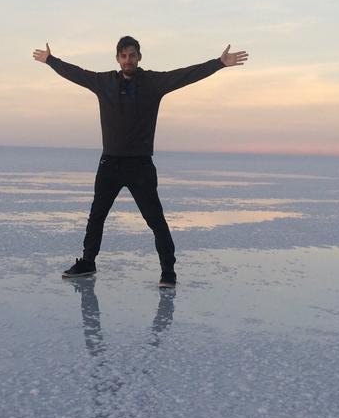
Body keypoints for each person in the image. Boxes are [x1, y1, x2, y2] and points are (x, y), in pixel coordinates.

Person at [32, 36, 248, 288]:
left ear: (139, 57)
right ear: (117, 59)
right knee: (96, 216)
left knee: (155, 220)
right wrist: (51, 61)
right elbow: (76, 74)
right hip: (110, 164)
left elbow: (185, 75)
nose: (128, 60)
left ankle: (168, 271)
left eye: (132, 55)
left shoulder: (153, 83)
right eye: (123, 56)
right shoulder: (104, 83)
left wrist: (218, 63)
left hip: (140, 166)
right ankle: (88, 262)